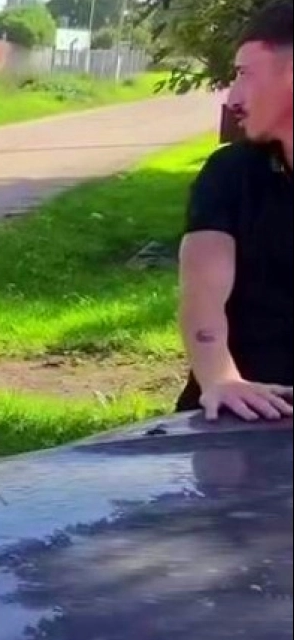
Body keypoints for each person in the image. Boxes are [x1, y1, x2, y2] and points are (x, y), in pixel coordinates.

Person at [177, 0, 293, 422]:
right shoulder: (231, 173)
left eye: (244, 74)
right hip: (236, 420)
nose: (234, 97)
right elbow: (202, 292)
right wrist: (221, 378)